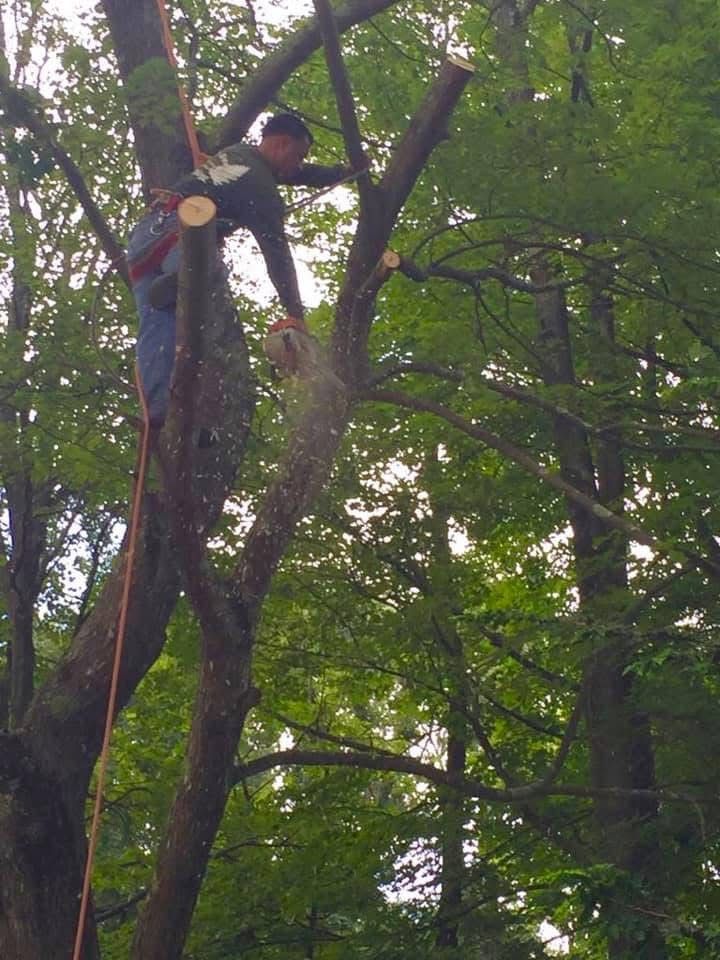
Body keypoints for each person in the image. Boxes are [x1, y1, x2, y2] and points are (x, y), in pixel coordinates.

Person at [126, 113, 350, 426]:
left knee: (158, 327)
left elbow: (298, 175)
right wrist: (295, 313)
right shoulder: (258, 185)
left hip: (144, 240)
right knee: (211, 286)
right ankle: (181, 281)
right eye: (298, 155)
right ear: (282, 144)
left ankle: (159, 412)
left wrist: (339, 174)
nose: (299, 164)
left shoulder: (240, 156)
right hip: (177, 239)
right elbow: (277, 255)